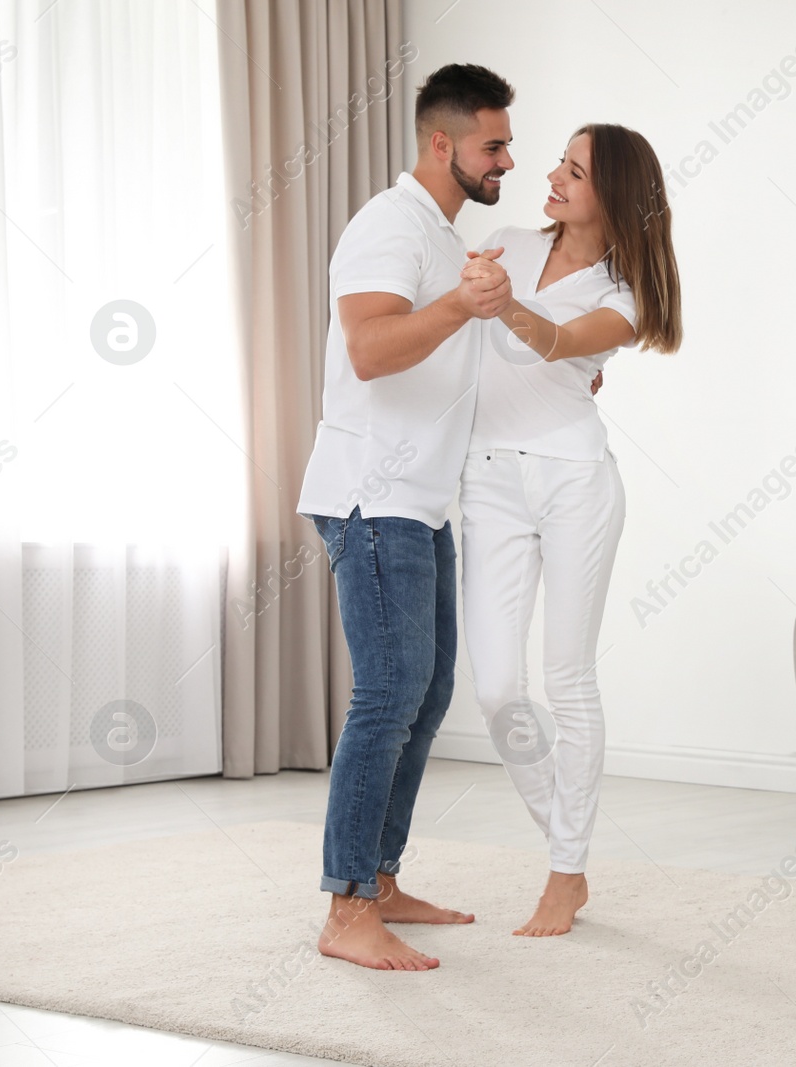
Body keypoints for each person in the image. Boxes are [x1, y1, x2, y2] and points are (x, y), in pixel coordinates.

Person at [294, 63, 518, 971]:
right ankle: (346, 908)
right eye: (493, 143)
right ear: (443, 143)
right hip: (369, 496)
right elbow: (374, 347)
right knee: (388, 695)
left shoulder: (442, 236)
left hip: (420, 503)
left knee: (423, 699)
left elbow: (448, 370)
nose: (507, 157)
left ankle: (379, 878)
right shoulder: (388, 226)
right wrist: (461, 304)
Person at [457, 123, 683, 936]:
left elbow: (557, 344)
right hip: (489, 479)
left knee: (567, 677)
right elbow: (454, 337)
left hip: (574, 481)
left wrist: (502, 302)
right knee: (494, 689)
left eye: (574, 170)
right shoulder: (507, 242)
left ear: (612, 194)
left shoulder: (624, 295)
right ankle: (566, 838)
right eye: (559, 160)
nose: (551, 174)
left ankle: (565, 870)